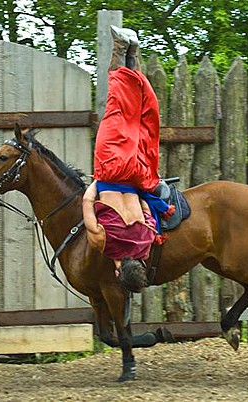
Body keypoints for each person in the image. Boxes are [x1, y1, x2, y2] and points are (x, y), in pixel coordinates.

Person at [83, 26, 173, 293]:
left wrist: (137, 188)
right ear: (118, 269)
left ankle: (133, 49)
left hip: (137, 175)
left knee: (139, 117)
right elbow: (88, 200)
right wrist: (97, 180)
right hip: (109, 173)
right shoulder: (103, 242)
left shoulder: (145, 241)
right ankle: (120, 46)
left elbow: (146, 207)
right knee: (116, 107)